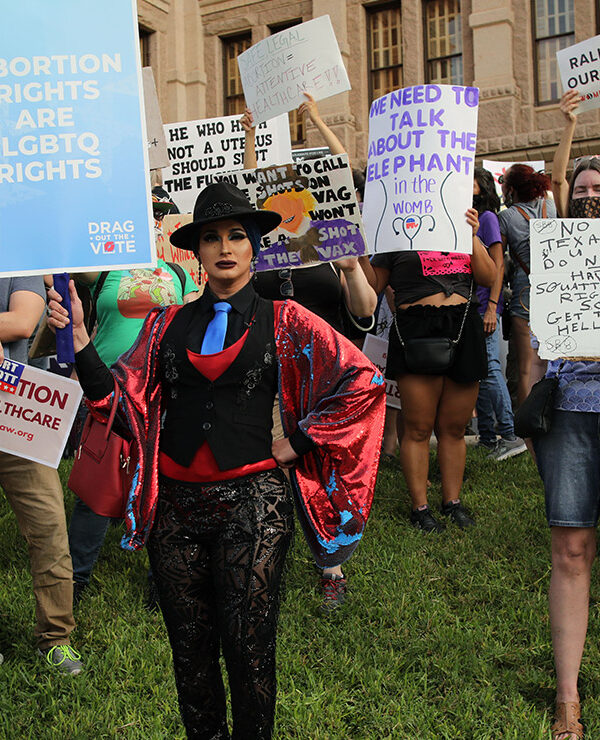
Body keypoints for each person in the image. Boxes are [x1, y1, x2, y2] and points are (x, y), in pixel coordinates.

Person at [48, 181, 385, 739]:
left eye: (236, 236)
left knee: (249, 647)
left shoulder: (287, 319)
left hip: (255, 506)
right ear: (197, 252)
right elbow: (116, 401)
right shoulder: (163, 323)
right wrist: (81, 338)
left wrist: (299, 441)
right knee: (190, 654)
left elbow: (363, 381)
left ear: (254, 246)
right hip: (175, 511)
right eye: (212, 238)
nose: (225, 247)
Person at [241, 95, 377, 611]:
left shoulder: (333, 249)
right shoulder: (264, 255)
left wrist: (349, 270)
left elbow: (362, 314)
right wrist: (252, 140)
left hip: (325, 380)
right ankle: (261, 561)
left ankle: (330, 569)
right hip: (275, 375)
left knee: (321, 473)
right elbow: (249, 193)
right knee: (269, 466)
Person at [68, 241, 199, 606]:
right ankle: (74, 578)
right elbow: (73, 261)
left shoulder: (178, 271)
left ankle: (161, 579)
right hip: (110, 385)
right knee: (99, 484)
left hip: (164, 389)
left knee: (164, 484)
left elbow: (195, 318)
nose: (153, 222)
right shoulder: (108, 267)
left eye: (159, 216)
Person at [533, 88, 600, 740]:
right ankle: (568, 697)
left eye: (598, 186)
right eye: (582, 186)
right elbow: (553, 194)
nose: (589, 193)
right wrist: (571, 128)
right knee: (572, 550)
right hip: (573, 413)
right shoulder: (558, 253)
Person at [362, 211, 496, 532]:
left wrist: (473, 235)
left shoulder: (459, 222)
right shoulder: (392, 230)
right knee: (419, 427)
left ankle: (452, 502)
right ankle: (419, 508)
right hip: (416, 329)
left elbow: (488, 277)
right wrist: (356, 253)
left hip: (463, 325)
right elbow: (373, 287)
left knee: (453, 427)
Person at [0, 277, 83, 675]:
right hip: (20, 411)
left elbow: (21, 322)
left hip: (17, 413)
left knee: (48, 527)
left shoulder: (16, 256)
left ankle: (56, 638)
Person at [472, 167, 526, 461]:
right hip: (472, 309)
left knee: (491, 369)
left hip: (485, 308)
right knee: (478, 373)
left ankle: (509, 435)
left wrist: (492, 307)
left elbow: (498, 265)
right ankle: (488, 437)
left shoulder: (488, 218)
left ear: (482, 186)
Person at [498, 165, 555, 410]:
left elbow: (498, 262)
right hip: (556, 290)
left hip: (524, 293)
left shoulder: (506, 217)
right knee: (553, 362)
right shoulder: (551, 208)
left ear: (511, 190)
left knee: (526, 367)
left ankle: (527, 431)